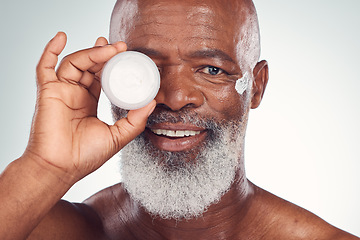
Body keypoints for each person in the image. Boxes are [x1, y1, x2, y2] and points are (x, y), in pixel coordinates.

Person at [0, 0, 358, 239]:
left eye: (211, 69)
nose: (173, 97)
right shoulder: (44, 227)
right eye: (147, 68)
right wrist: (45, 167)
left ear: (257, 87)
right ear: (109, 78)